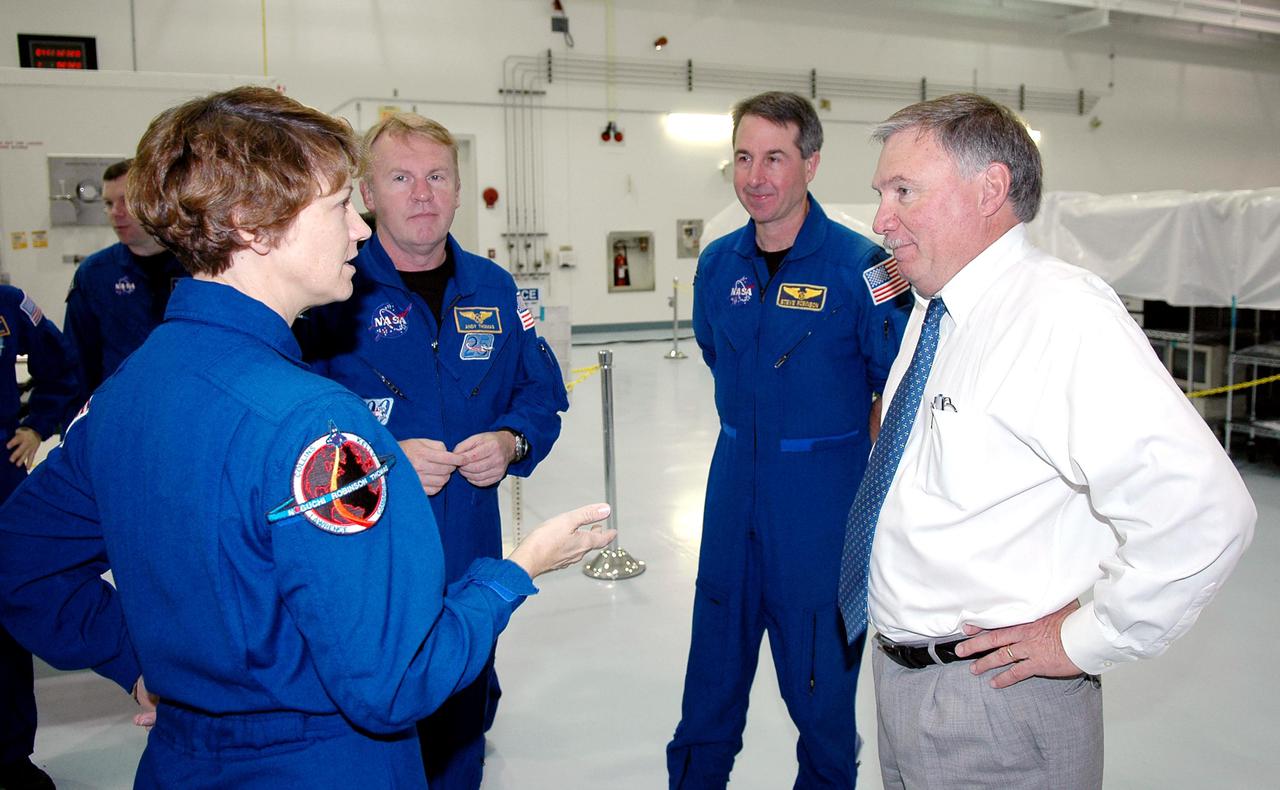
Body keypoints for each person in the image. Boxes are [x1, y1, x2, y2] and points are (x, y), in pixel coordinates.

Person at [0, 86, 613, 789]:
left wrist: (136, 658)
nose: (358, 229)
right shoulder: (314, 423)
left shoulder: (126, 393)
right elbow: (392, 682)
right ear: (253, 224)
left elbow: (20, 559)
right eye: (337, 207)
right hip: (324, 757)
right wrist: (518, 570)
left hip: (183, 757)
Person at [840, 93, 1256, 789]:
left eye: (904, 191)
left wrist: (1083, 639)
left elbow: (1206, 512)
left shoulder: (1061, 317)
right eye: (882, 193)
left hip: (994, 706)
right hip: (907, 685)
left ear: (990, 190)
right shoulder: (935, 308)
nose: (882, 219)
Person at [298, 112, 568, 790]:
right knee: (373, 732)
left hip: (470, 547)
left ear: (457, 187)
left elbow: (542, 394)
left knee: (457, 732)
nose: (423, 193)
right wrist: (379, 457)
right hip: (366, 554)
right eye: (401, 177)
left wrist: (511, 441)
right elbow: (290, 430)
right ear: (367, 192)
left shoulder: (495, 288)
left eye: (437, 176)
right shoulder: (332, 292)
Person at [667, 91, 909, 789]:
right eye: (744, 157)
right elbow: (717, 354)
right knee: (707, 693)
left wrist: (842, 468)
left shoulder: (865, 268)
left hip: (819, 511)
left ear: (811, 163)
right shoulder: (717, 265)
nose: (756, 175)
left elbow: (894, 390)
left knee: (821, 704)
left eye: (775, 156)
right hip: (730, 493)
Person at [0, 286, 77, 790]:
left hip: (1, 475)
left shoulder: (9, 304)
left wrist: (37, 425)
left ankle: (9, 756)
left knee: (6, 618)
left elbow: (62, 368)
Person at [63, 158, 189, 398]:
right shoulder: (95, 274)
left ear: (154, 201)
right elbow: (77, 360)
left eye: (125, 201)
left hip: (185, 406)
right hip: (119, 410)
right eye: (108, 204)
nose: (115, 213)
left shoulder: (198, 266)